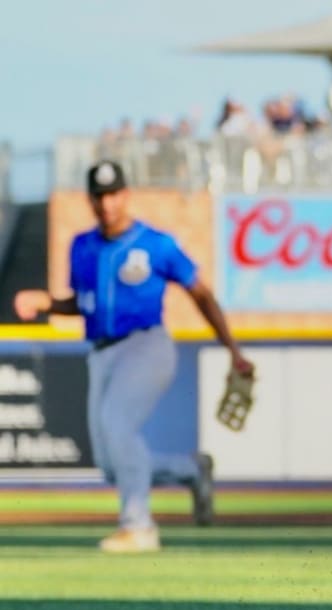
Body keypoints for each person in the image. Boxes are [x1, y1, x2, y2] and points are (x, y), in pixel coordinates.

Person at [12, 160, 253, 553]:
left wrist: (233, 350)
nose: (107, 203)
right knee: (112, 464)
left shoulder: (155, 244)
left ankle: (138, 525)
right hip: (101, 353)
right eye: (100, 196)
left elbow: (202, 295)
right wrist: (48, 303)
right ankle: (193, 470)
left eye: (114, 194)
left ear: (126, 195)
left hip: (146, 345)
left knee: (117, 425)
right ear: (91, 200)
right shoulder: (82, 247)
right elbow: (84, 303)